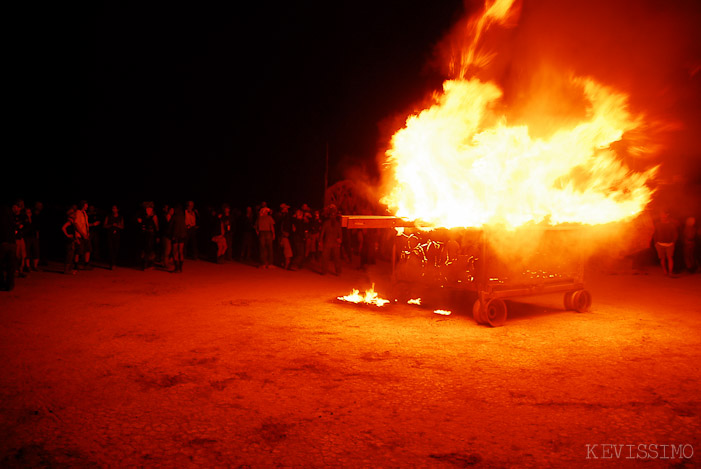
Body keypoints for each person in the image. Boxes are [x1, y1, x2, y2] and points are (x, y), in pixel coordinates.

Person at [653, 210, 678, 276]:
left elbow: (675, 234)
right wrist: (656, 243)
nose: (662, 216)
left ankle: (670, 272)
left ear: (667, 215)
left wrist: (673, 242)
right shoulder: (657, 225)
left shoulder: (671, 225)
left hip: (670, 244)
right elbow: (655, 234)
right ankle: (665, 271)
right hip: (660, 244)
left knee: (670, 258)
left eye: (664, 214)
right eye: (661, 215)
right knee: (662, 258)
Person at [320, 205, 342, 275]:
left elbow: (340, 233)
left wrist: (340, 240)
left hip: (334, 243)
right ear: (330, 216)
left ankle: (338, 271)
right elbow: (322, 232)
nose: (332, 216)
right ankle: (324, 271)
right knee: (325, 257)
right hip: (328, 242)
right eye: (331, 215)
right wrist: (320, 241)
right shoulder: (326, 223)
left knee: (336, 258)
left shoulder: (337, 224)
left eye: (333, 215)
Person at [137, 202, 159, 270]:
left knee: (149, 249)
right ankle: (143, 264)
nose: (148, 210)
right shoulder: (143, 216)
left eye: (149, 209)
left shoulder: (154, 216)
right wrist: (139, 222)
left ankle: (149, 264)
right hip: (143, 234)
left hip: (151, 235)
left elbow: (157, 226)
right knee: (143, 249)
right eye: (147, 209)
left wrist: (158, 236)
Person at [0, 205, 17, 290]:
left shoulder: (3, 218)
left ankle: (3, 283)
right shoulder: (12, 219)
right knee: (11, 266)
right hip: (12, 243)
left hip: (4, 243)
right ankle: (9, 285)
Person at [103, 205, 124, 269]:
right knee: (110, 248)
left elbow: (122, 227)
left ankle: (114, 262)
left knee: (116, 248)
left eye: (115, 208)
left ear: (117, 209)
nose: (113, 210)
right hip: (110, 234)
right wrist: (111, 225)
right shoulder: (108, 216)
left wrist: (117, 225)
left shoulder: (120, 217)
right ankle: (112, 264)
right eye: (112, 208)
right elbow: (104, 225)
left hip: (117, 235)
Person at [74, 201, 91, 269]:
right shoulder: (78, 213)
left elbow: (85, 224)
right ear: (83, 205)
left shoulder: (84, 213)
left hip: (85, 234)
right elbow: (76, 224)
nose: (87, 206)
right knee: (78, 250)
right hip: (80, 234)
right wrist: (82, 233)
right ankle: (76, 264)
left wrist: (87, 232)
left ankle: (86, 264)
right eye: (86, 205)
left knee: (88, 249)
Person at [11, 202, 27, 278]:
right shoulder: (11, 216)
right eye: (13, 207)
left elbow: (25, 225)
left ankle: (20, 270)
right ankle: (15, 270)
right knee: (16, 255)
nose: (15, 208)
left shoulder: (22, 216)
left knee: (22, 255)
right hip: (15, 238)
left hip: (21, 237)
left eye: (16, 207)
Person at [61, 209, 79, 275]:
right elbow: (63, 228)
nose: (75, 215)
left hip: (72, 240)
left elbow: (74, 232)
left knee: (71, 255)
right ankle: (66, 270)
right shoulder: (69, 222)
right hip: (69, 241)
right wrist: (67, 235)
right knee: (69, 255)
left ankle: (69, 269)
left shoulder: (72, 222)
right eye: (73, 214)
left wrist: (76, 239)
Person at [170, 204, 187, 273]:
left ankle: (177, 268)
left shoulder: (174, 217)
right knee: (181, 251)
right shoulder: (183, 217)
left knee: (175, 252)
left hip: (175, 236)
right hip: (182, 236)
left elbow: (170, 226)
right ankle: (180, 268)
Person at [23, 207, 39, 272]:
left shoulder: (34, 219)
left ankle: (35, 266)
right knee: (27, 251)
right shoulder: (24, 219)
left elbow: (37, 228)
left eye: (29, 212)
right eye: (27, 212)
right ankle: (28, 266)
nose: (28, 214)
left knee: (36, 251)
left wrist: (37, 236)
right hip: (27, 237)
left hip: (34, 237)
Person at [160, 205, 174, 270]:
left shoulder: (171, 217)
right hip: (166, 236)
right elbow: (165, 227)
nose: (172, 211)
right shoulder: (166, 217)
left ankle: (164, 262)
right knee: (167, 250)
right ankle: (165, 264)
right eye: (171, 210)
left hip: (167, 236)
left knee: (166, 250)